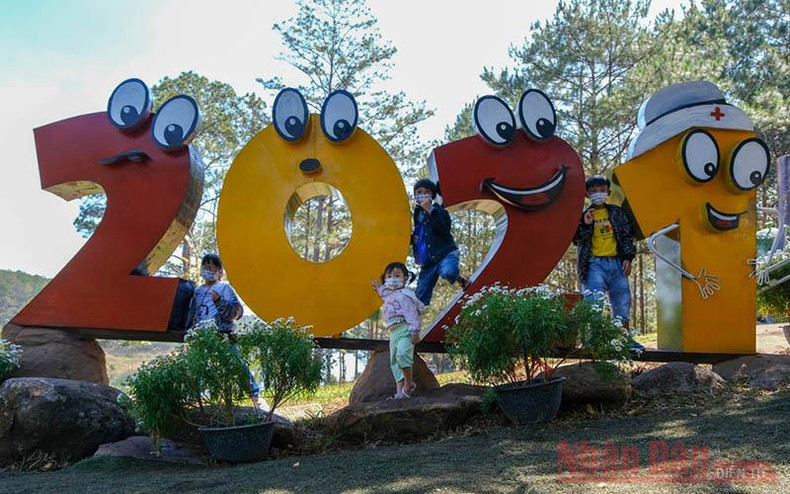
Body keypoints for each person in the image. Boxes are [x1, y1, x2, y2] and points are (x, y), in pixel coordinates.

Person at [187, 253, 267, 410]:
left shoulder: (224, 288)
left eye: (212, 267)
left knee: (237, 365)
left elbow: (236, 313)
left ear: (219, 271)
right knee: (196, 367)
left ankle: (256, 398)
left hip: (222, 335)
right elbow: (193, 313)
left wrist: (219, 301)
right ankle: (194, 400)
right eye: (205, 267)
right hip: (201, 336)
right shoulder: (197, 291)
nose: (208, 270)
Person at [573, 176, 642, 350]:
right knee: (594, 303)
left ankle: (624, 340)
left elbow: (627, 235)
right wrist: (585, 223)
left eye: (601, 190)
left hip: (617, 263)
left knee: (622, 301)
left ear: (608, 192)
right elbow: (576, 239)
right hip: (593, 264)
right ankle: (594, 341)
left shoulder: (617, 212)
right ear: (587, 194)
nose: (598, 194)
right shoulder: (583, 216)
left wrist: (628, 257)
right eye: (594, 191)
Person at [411, 178, 470, 306]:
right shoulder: (416, 215)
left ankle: (460, 278)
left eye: (427, 191)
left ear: (432, 195)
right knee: (419, 298)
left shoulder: (439, 210)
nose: (423, 194)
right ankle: (411, 323)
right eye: (419, 192)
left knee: (448, 272)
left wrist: (430, 211)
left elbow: (444, 229)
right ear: (415, 195)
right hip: (428, 262)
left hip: (445, 253)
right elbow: (420, 236)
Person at [372, 262, 426, 399]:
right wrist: (379, 287)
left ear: (405, 278)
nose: (392, 279)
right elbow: (384, 293)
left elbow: (412, 314)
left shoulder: (405, 295)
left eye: (397, 275)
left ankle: (409, 385)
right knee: (395, 363)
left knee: (402, 356)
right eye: (389, 276)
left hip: (405, 330)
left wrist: (415, 332)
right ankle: (400, 393)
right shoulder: (390, 295)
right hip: (393, 333)